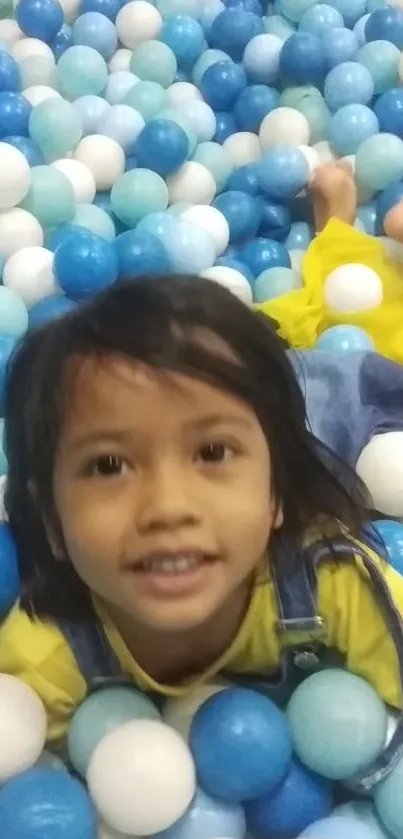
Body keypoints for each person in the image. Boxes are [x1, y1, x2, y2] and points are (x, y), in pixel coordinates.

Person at [0, 275, 402, 788]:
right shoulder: (40, 662)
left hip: (318, 440)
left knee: (341, 399)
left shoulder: (332, 576)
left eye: (211, 453)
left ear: (275, 491)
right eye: (108, 465)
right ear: (52, 520)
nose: (168, 507)